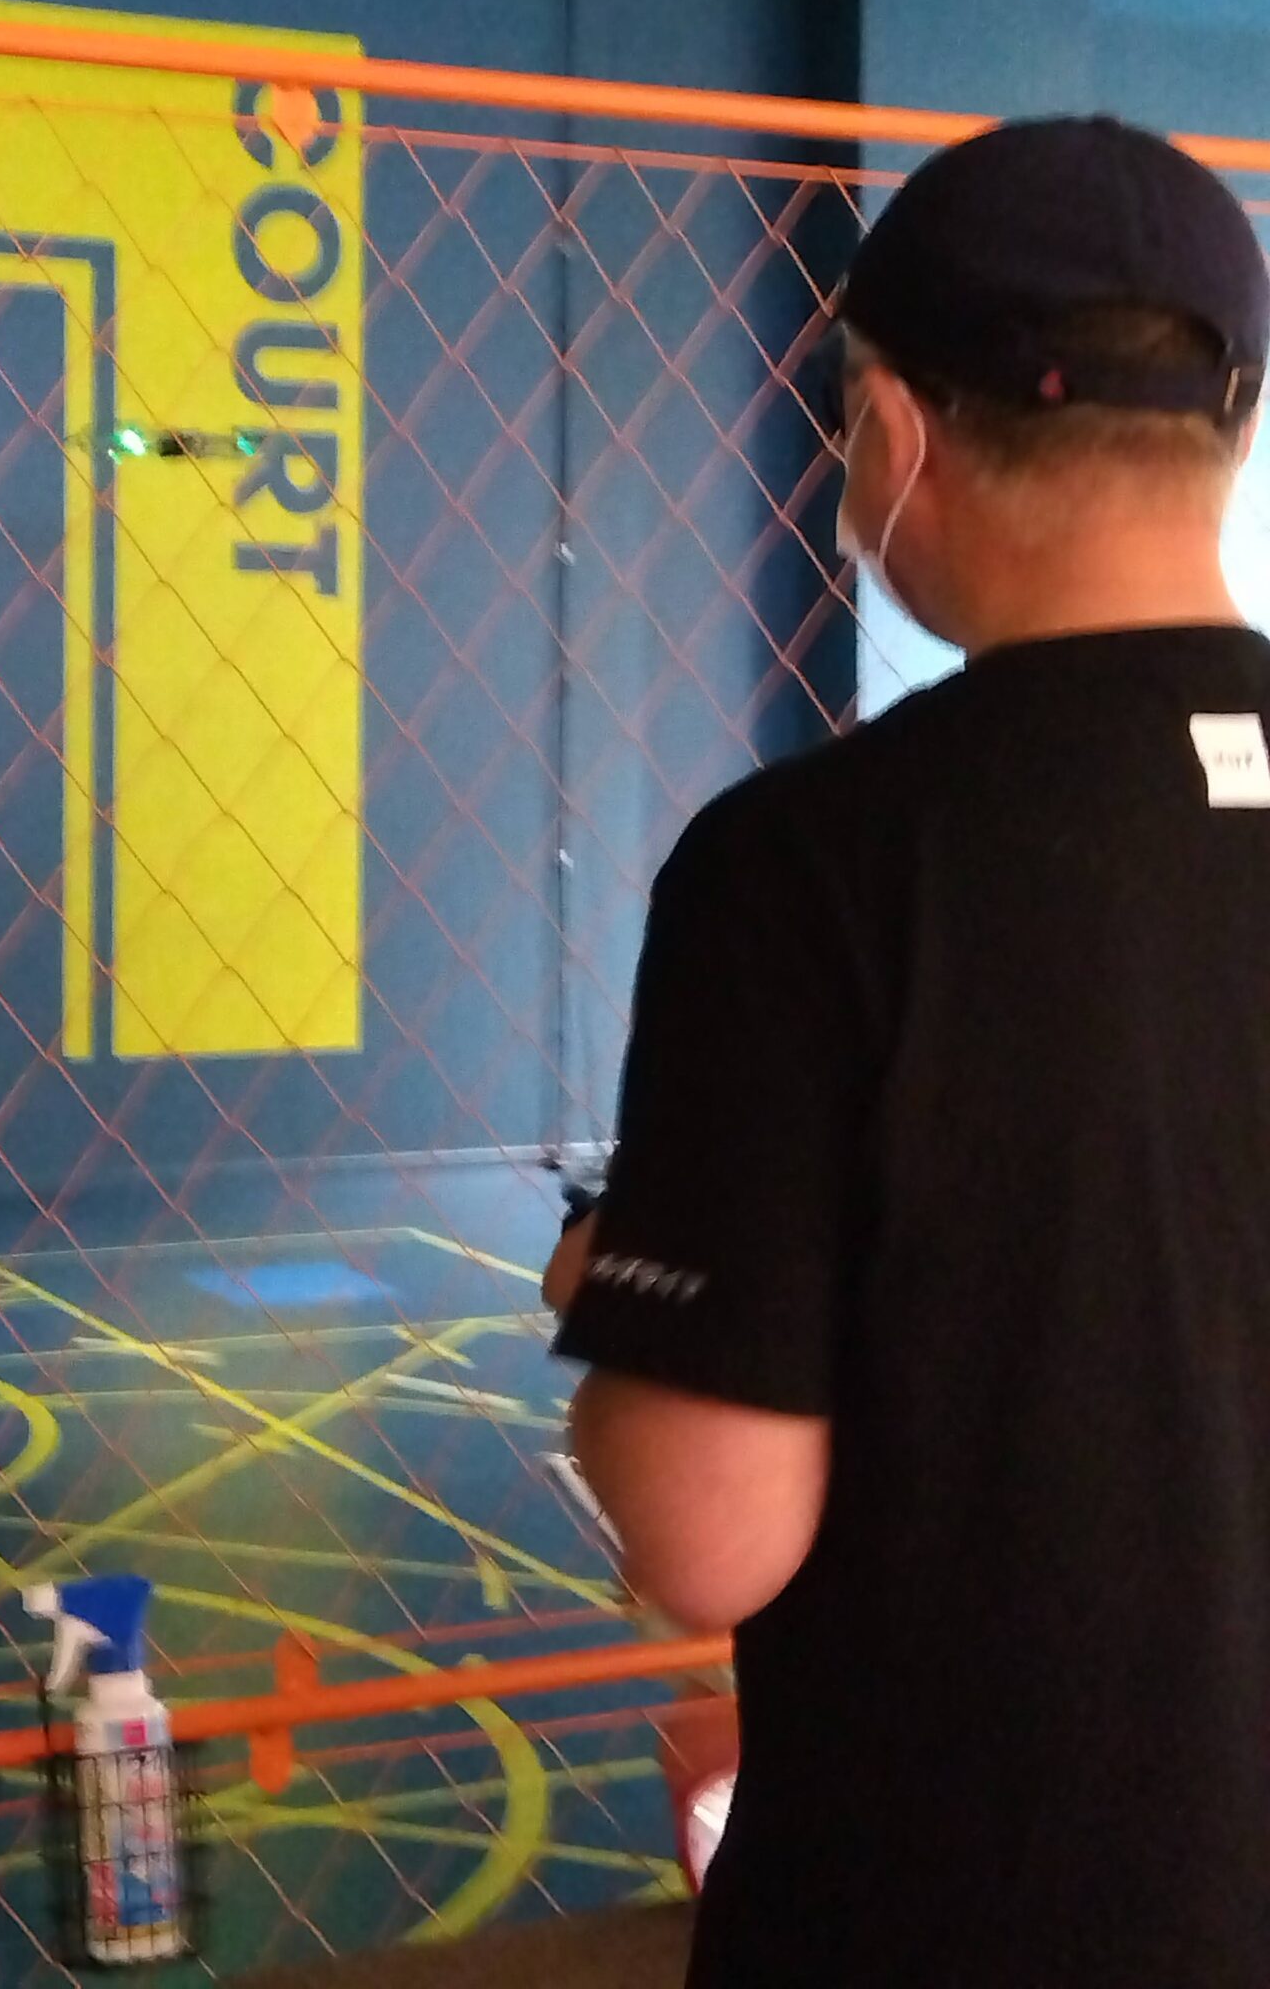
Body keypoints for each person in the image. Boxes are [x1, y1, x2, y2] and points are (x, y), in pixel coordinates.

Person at [543, 117, 1270, 1989]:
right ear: (1237, 421)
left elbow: (705, 1535)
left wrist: (619, 1304)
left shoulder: (807, 869)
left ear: (892, 432)